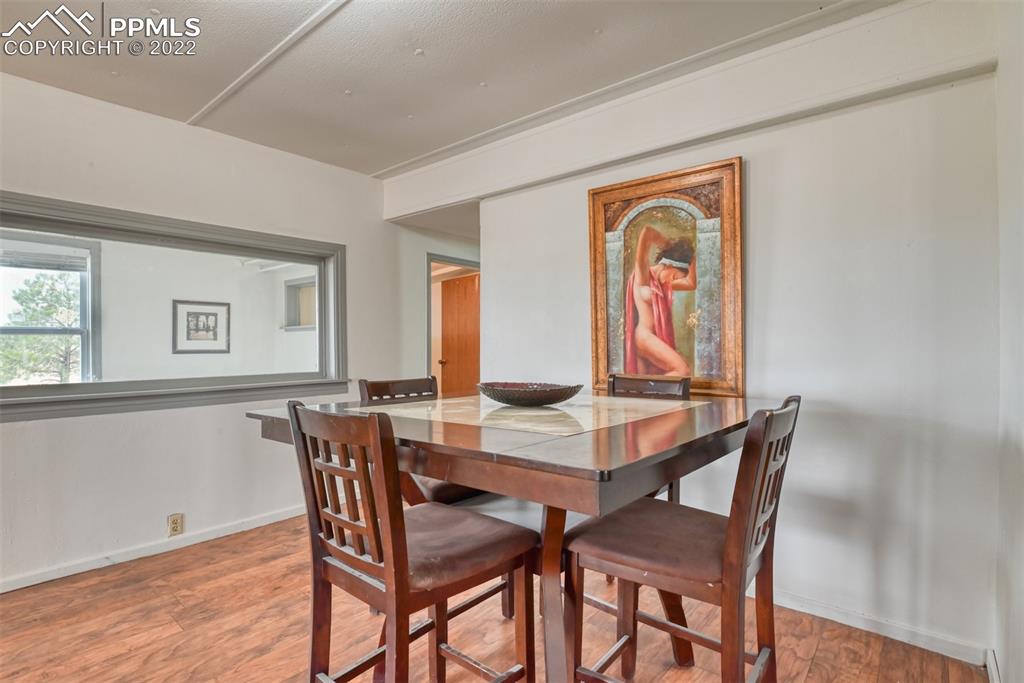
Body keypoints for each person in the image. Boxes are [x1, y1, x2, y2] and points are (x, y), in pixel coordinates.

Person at [624, 224, 697, 376]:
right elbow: (647, 231)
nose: (674, 281)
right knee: (683, 371)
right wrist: (669, 246)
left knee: (644, 387)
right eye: (676, 276)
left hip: (649, 340)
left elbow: (691, 283)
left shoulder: (664, 284)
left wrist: (690, 257)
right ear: (669, 265)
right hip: (644, 336)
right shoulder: (643, 275)